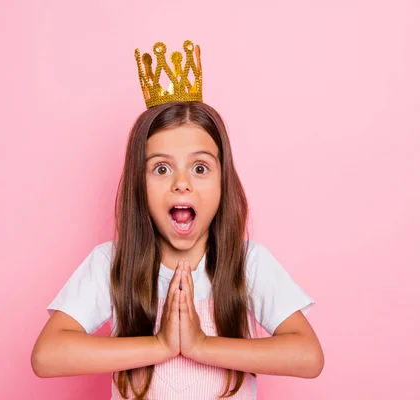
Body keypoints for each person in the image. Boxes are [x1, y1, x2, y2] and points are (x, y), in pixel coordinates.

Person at [31, 40, 324, 400]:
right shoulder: (112, 264)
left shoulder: (249, 264)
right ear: (140, 183)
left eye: (200, 167)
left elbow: (308, 357)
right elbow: (47, 356)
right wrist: (161, 345)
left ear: (222, 182)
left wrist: (200, 345)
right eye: (162, 168)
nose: (181, 182)